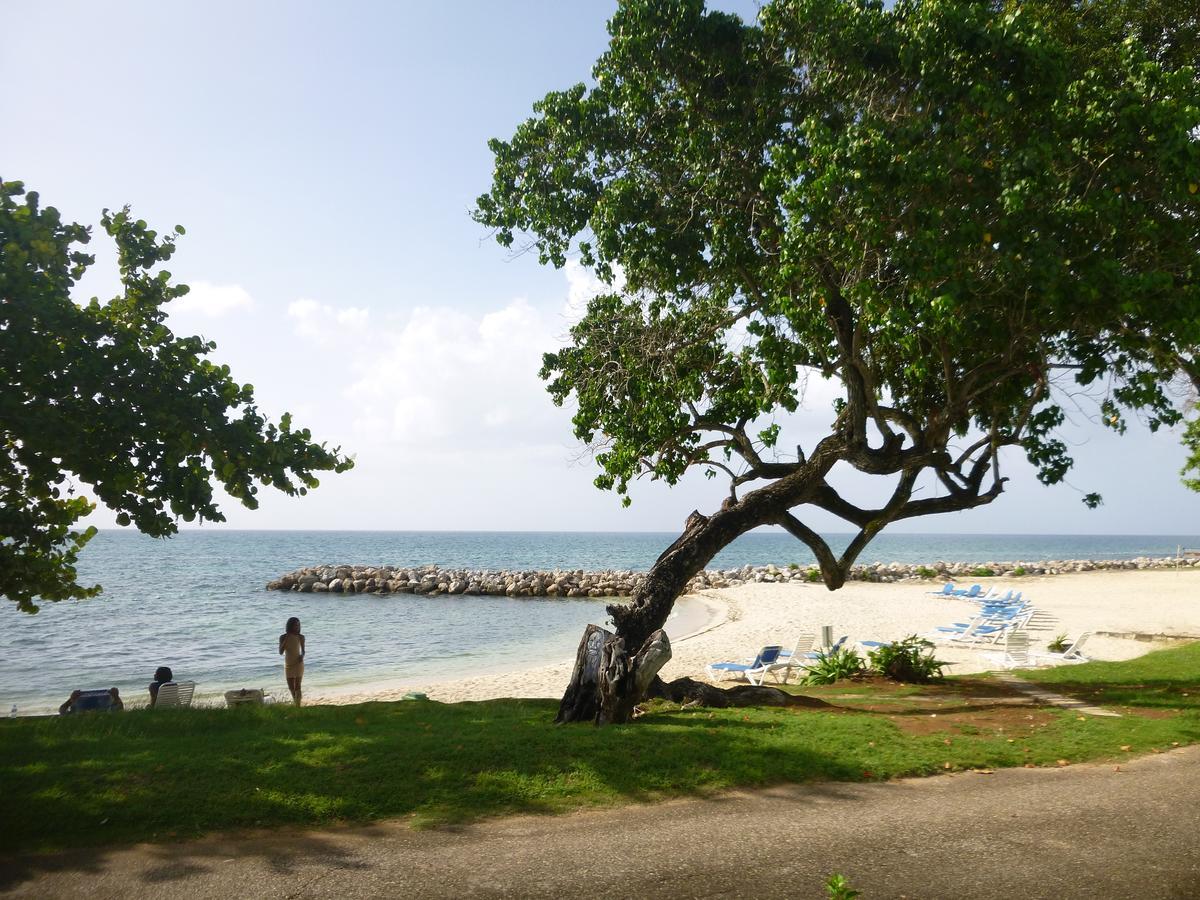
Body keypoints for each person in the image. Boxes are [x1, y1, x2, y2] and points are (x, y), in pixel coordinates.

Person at [278, 617, 305, 706]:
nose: (297, 627)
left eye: (298, 625)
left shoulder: (301, 637)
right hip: (288, 664)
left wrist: (302, 656)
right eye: (295, 625)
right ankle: (295, 701)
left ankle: (298, 705)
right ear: (290, 626)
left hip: (298, 663)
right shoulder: (282, 637)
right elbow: (281, 652)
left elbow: (303, 651)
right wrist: (287, 639)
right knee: (290, 687)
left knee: (297, 686)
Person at [59, 687, 123, 714]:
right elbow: (120, 707)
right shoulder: (106, 713)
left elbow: (62, 710)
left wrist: (71, 700)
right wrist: (116, 697)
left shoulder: (76, 715)